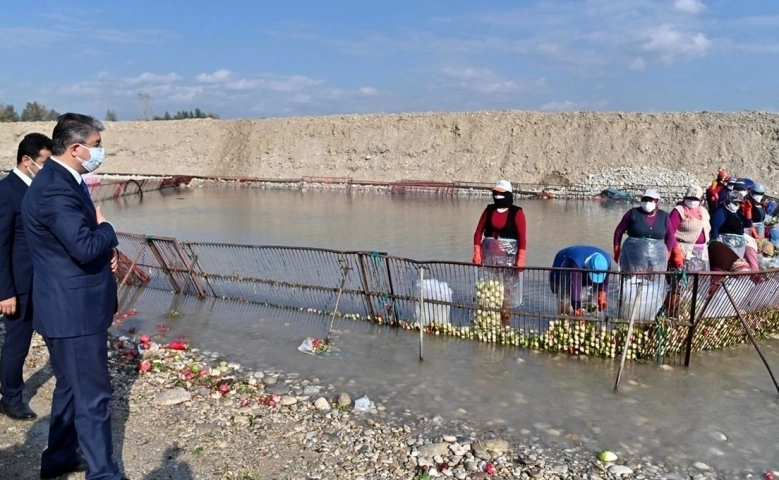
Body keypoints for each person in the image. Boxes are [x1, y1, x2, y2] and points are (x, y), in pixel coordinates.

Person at [21, 114, 128, 480]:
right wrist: (108, 230)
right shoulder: (54, 188)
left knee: (69, 386)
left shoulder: (63, 179)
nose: (100, 151)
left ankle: (59, 457)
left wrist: (102, 246)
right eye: (96, 145)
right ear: (75, 148)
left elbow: (71, 243)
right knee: (93, 397)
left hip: (66, 306)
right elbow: (83, 245)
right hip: (74, 312)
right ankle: (103, 473)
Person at [0, 133, 52, 421]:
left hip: (41, 280)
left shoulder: (38, 189)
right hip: (18, 284)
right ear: (26, 160)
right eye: (43, 162)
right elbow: (1, 245)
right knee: (17, 342)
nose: (46, 168)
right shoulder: (6, 192)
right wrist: (4, 291)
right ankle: (10, 397)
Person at [473, 180, 527, 324]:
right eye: (495, 193)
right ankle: (488, 317)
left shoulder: (517, 213)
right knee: (490, 287)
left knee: (508, 288)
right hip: (489, 256)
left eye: (501, 194)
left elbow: (522, 238)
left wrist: (521, 258)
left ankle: (505, 316)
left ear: (508, 194)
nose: (497, 196)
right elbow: (478, 232)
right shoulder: (489, 210)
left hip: (510, 257)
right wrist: (477, 252)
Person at [613, 188, 675, 273]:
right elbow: (618, 232)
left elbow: (670, 237)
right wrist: (617, 251)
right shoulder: (633, 213)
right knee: (632, 282)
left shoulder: (664, 217)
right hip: (633, 259)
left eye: (650, 200)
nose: (647, 202)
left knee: (653, 283)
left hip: (657, 260)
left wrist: (668, 253)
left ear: (657, 202)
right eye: (644, 200)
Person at [549, 246, 610, 316]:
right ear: (588, 267)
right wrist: (577, 308)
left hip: (579, 266)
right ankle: (563, 318)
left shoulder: (606, 261)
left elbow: (605, 282)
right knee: (565, 297)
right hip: (565, 264)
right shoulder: (576, 263)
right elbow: (575, 287)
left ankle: (587, 317)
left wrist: (602, 295)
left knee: (590, 298)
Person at [710, 190, 759, 270]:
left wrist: (748, 212)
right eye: (735, 202)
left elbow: (747, 225)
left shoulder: (738, 212)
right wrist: (717, 242)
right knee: (727, 266)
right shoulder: (721, 212)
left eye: (739, 203)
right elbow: (715, 229)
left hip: (738, 245)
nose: (737, 205)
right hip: (726, 244)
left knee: (737, 267)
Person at [668, 185, 711, 272]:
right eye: (690, 198)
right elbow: (669, 232)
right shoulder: (678, 211)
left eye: (695, 199)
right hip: (684, 252)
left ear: (701, 200)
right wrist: (675, 252)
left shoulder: (703, 211)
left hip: (702, 252)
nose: (692, 201)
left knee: (701, 282)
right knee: (685, 282)